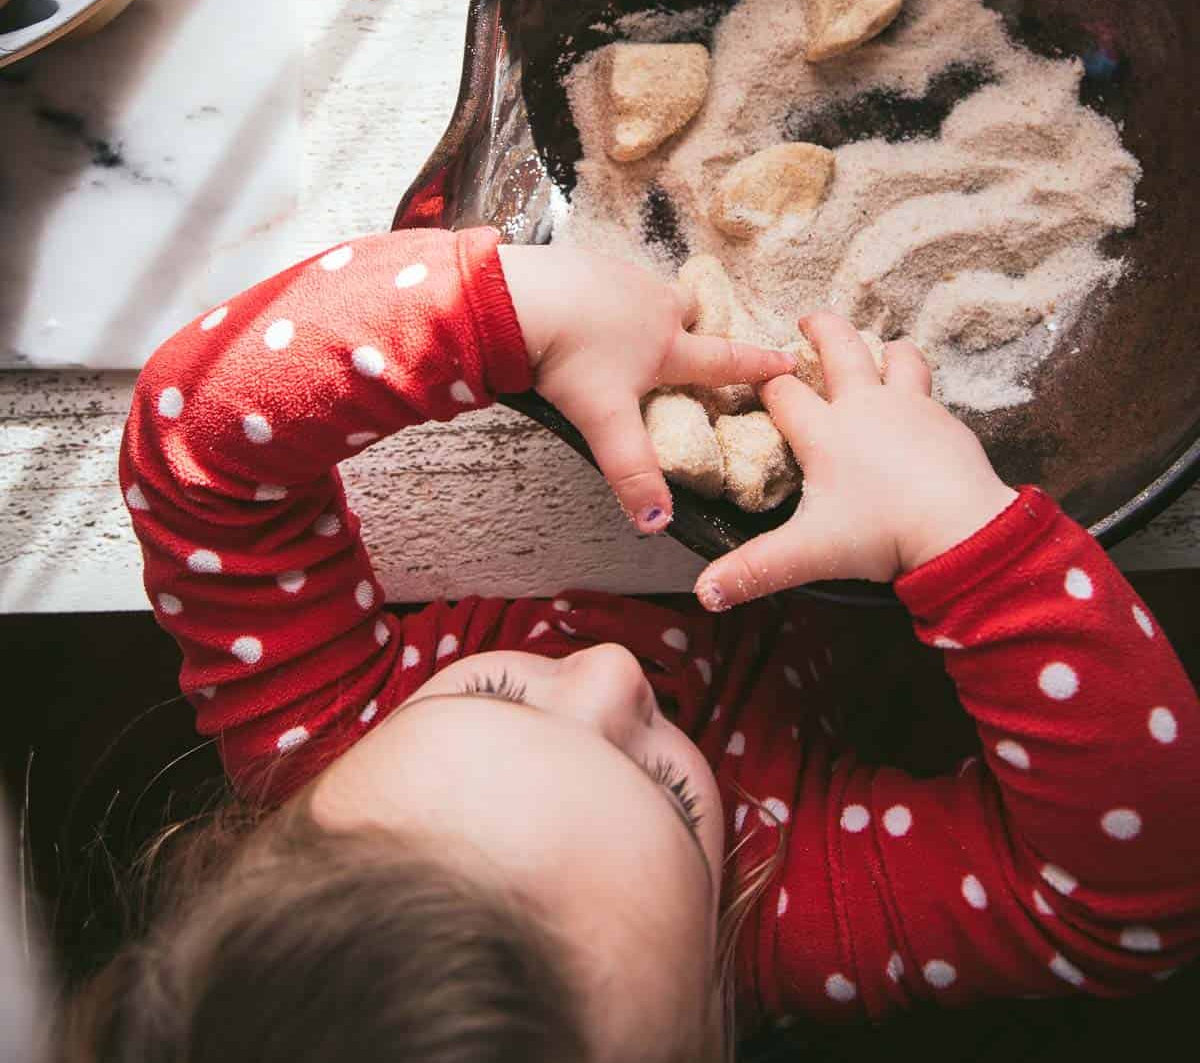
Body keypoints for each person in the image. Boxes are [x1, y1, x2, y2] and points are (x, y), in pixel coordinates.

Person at [64, 228, 1200, 1061]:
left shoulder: (317, 743)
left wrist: (502, 309)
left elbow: (196, 443)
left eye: (499, 699)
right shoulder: (769, 919)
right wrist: (962, 530)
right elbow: (1134, 900)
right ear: (706, 1027)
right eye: (667, 788)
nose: (612, 676)